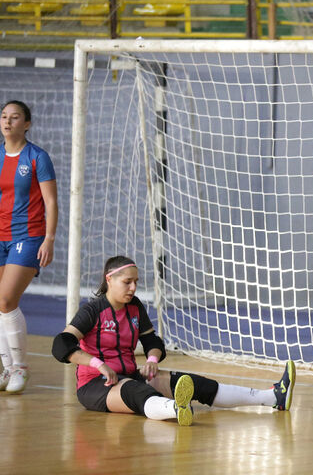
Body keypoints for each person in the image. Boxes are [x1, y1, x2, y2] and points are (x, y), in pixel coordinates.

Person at [51, 255, 295, 426]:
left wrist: (153, 359)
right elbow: (61, 344)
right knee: (138, 391)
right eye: (127, 282)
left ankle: (273, 397)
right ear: (109, 280)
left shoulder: (135, 308)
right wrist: (98, 364)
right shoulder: (92, 311)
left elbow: (153, 342)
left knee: (192, 383)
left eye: (136, 282)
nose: (133, 287)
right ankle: (174, 409)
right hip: (96, 385)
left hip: (130, 375)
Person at [0, 100, 58, 394]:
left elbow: (50, 201)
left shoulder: (37, 157)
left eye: (15, 117)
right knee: (0, 304)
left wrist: (49, 238)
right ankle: (7, 368)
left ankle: (20, 369)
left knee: (7, 299)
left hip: (28, 236)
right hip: (0, 235)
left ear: (27, 123)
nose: (8, 122)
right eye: (4, 117)